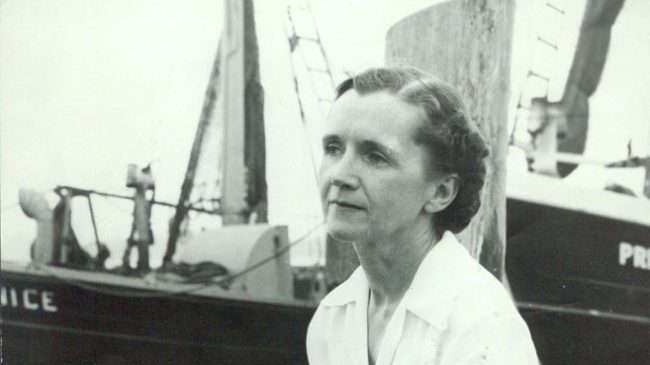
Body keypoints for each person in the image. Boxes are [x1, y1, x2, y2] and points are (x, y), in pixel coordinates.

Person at [307, 66, 538, 365]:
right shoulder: (332, 318)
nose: (340, 175)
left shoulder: (481, 326)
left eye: (375, 157)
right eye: (333, 148)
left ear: (440, 192)